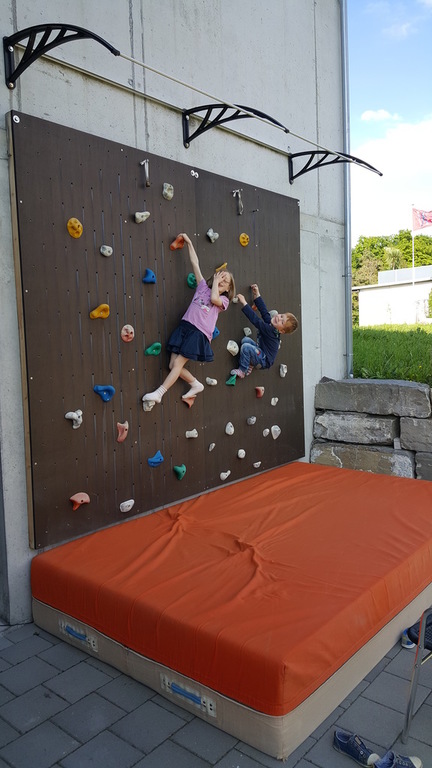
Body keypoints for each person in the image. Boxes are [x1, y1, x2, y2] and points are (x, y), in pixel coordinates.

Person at [143, 233, 236, 405]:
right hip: (186, 327)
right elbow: (195, 263)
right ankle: (195, 383)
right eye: (221, 275)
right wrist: (189, 243)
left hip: (199, 333)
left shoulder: (224, 300)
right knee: (173, 365)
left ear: (229, 287)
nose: (222, 279)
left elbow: (214, 299)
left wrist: (216, 282)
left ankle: (159, 393)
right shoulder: (202, 287)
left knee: (178, 363)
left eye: (226, 280)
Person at [231, 283, 298, 378]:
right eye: (281, 316)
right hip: (261, 351)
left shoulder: (271, 331)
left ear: (282, 331)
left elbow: (256, 321)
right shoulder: (272, 325)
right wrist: (257, 295)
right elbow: (264, 312)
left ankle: (242, 370)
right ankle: (251, 363)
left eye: (282, 322)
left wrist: (244, 303)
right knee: (245, 340)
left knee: (245, 347)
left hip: (264, 360)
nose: (278, 318)